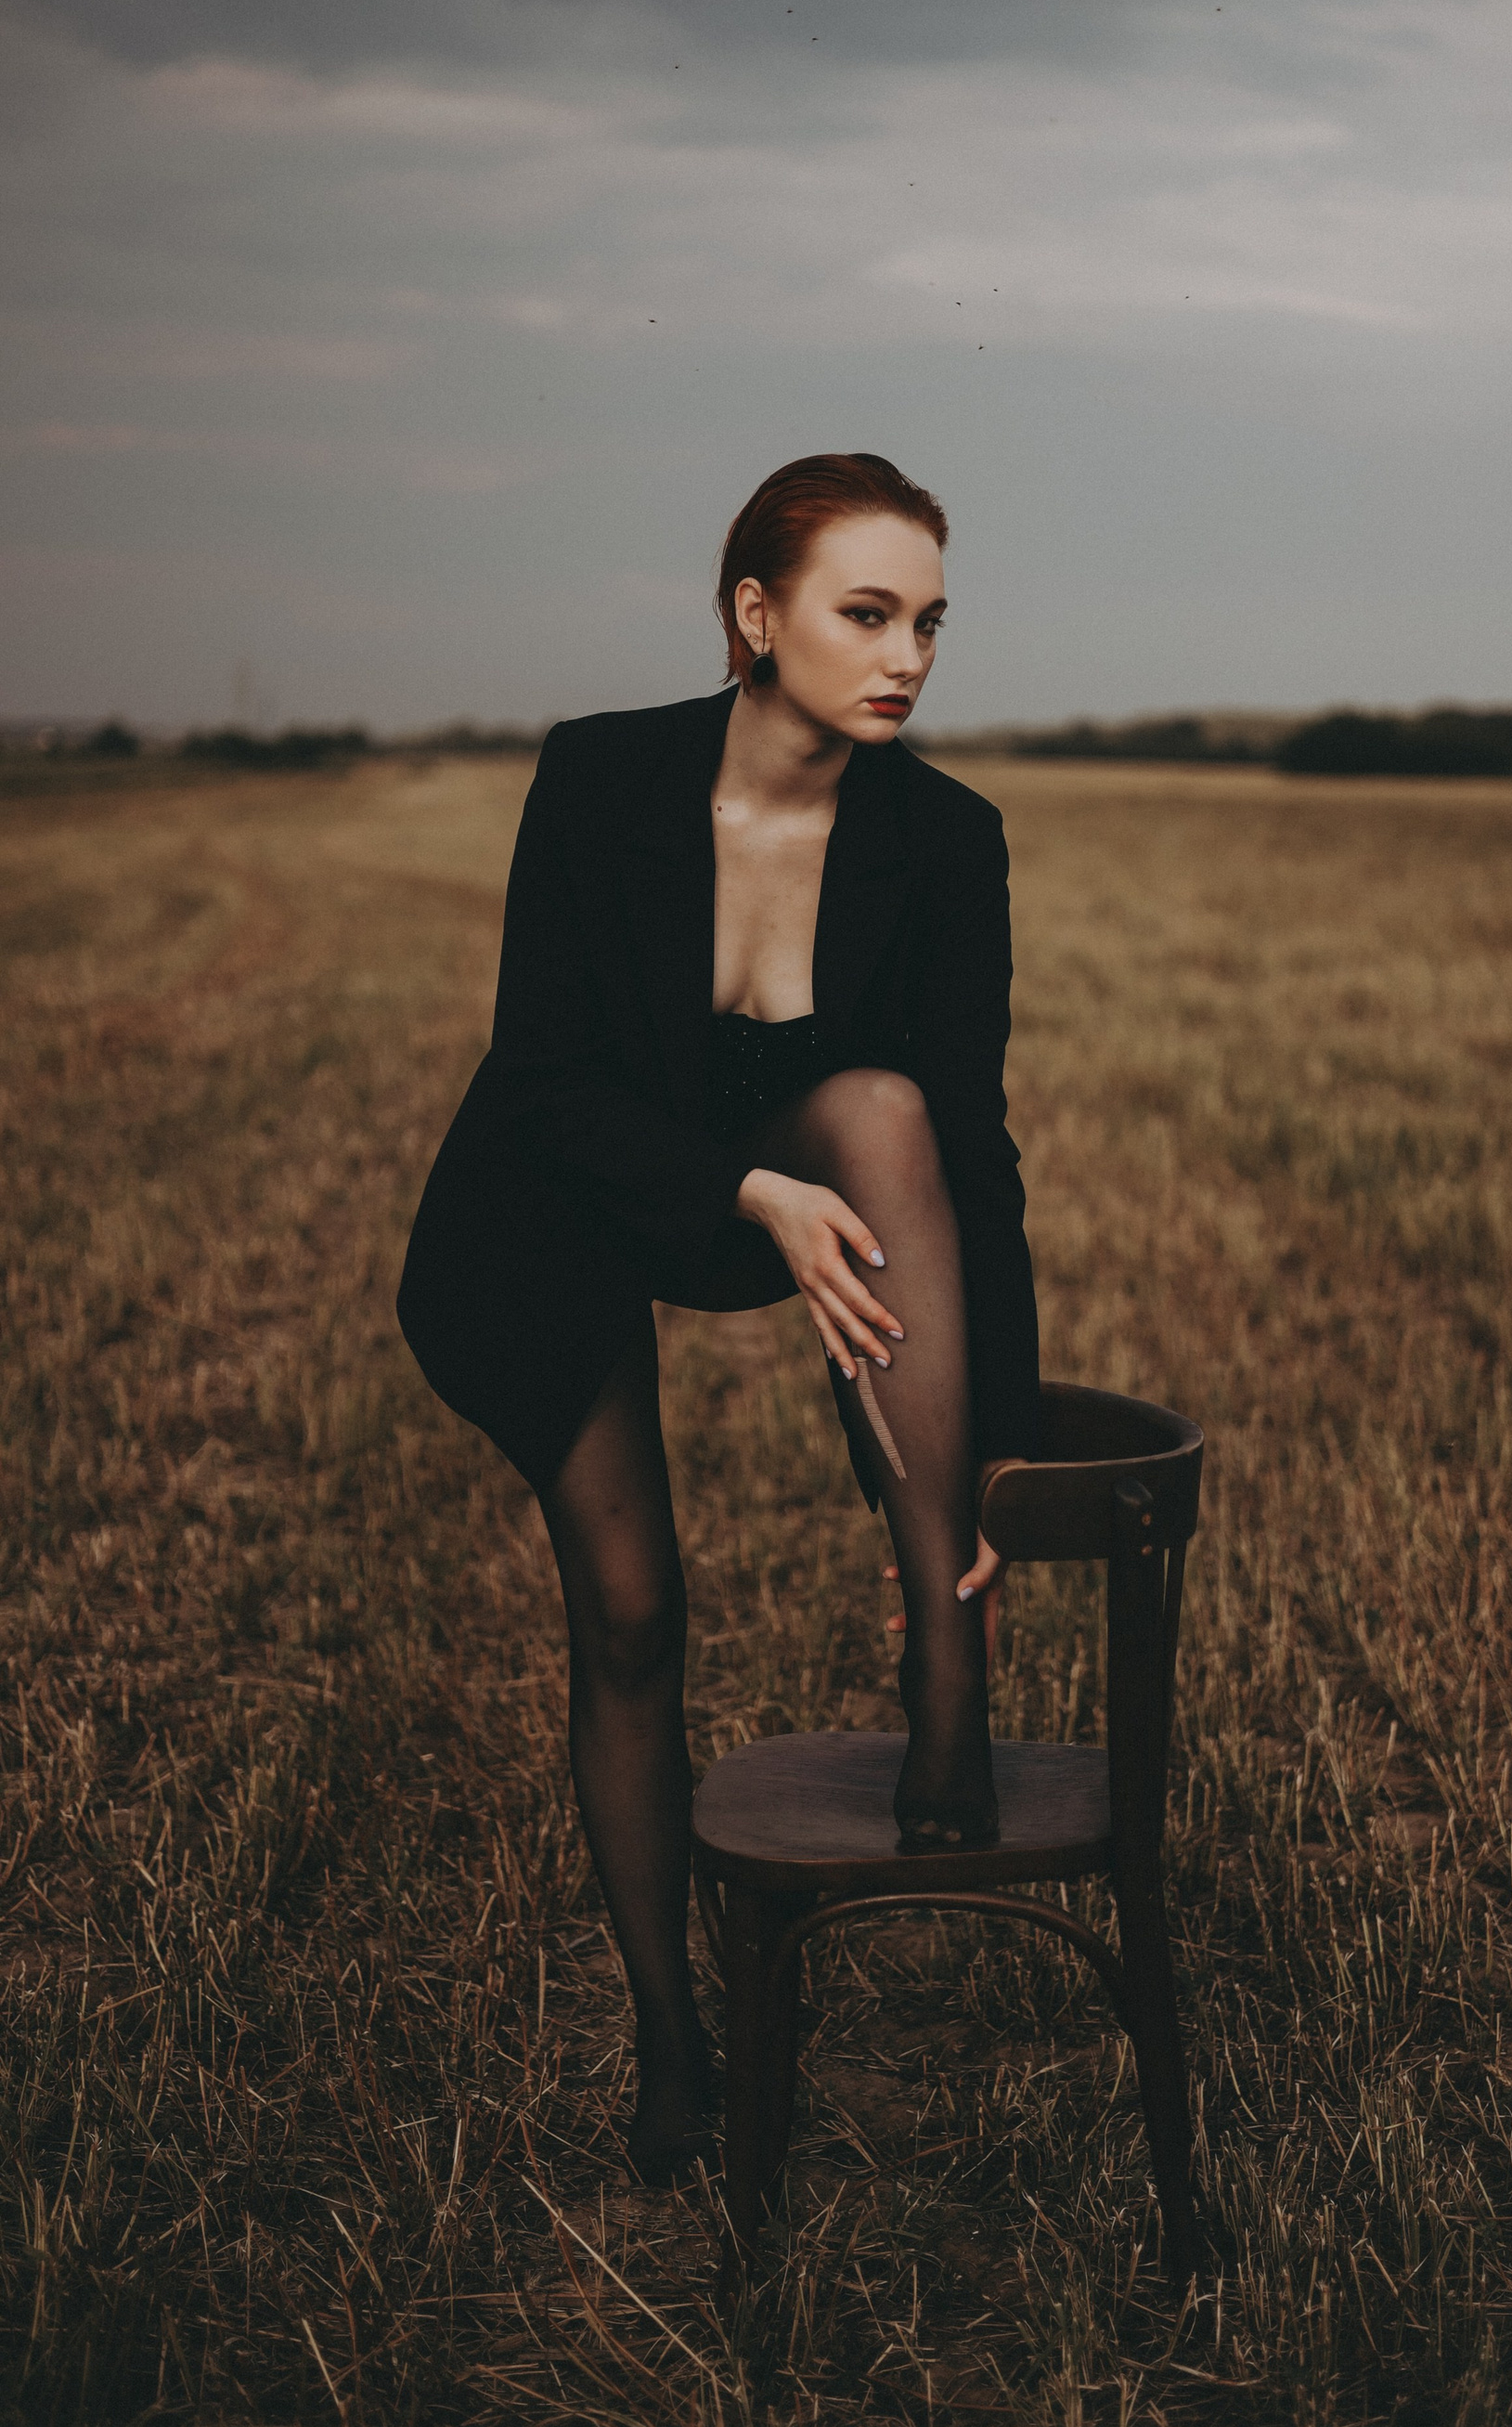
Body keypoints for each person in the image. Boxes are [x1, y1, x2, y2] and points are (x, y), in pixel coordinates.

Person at [398, 451, 1041, 2181]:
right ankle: (674, 2043)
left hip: (805, 1179)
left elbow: (974, 1157)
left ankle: (945, 1650)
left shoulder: (948, 838)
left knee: (892, 1110)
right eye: (867, 613)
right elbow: (543, 1080)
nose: (906, 656)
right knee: (631, 1616)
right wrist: (740, 1193)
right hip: (564, 1199)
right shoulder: (601, 779)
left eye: (930, 622)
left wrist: (1000, 1450)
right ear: (757, 616)